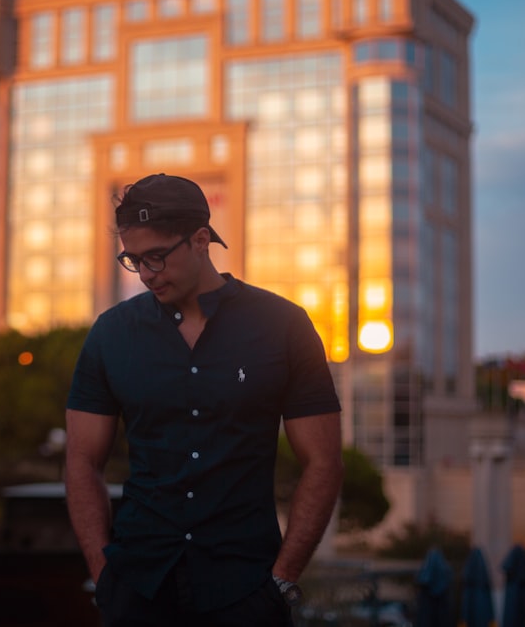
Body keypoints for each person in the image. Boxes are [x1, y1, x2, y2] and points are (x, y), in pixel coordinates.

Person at [65, 173, 343, 626]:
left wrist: (283, 578)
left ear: (200, 240)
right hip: (138, 589)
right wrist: (104, 575)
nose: (148, 274)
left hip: (248, 589)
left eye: (157, 256)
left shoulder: (283, 326)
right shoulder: (111, 334)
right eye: (133, 260)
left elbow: (324, 461)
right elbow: (81, 460)